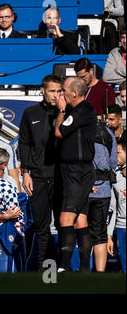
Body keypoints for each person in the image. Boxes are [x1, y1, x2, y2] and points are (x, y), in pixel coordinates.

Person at [18, 74, 61, 270]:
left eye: (59, 91)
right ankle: (45, 272)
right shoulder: (30, 112)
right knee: (42, 226)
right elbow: (24, 144)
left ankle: (62, 268)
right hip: (37, 176)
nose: (56, 95)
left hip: (60, 177)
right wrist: (25, 172)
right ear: (42, 90)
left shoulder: (65, 113)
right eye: (53, 91)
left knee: (63, 226)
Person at [54, 76, 97, 273]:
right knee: (80, 220)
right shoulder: (78, 110)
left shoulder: (83, 110)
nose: (60, 94)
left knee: (65, 219)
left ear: (74, 93)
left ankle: (63, 267)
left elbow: (60, 132)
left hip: (78, 171)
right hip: (72, 170)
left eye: (63, 90)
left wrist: (62, 110)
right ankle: (84, 270)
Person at [87, 114, 117, 272]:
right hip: (103, 190)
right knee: (99, 235)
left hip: (82, 190)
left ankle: (83, 272)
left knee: (82, 232)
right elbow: (113, 162)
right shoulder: (108, 133)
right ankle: (99, 275)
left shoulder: (78, 130)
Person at [107, 142, 126, 272]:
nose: (115, 156)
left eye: (118, 152)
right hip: (121, 227)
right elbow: (113, 208)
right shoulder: (115, 176)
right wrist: (109, 236)